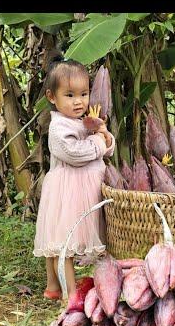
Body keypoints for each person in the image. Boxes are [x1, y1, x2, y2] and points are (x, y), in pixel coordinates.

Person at [33, 52, 115, 300]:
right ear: (52, 97)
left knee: (56, 242)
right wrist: (99, 142)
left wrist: (103, 133)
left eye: (83, 94)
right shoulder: (58, 127)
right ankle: (70, 295)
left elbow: (107, 148)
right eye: (69, 96)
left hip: (84, 189)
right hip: (67, 191)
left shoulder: (82, 120)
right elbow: (74, 153)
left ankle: (52, 287)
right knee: (62, 243)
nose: (78, 101)